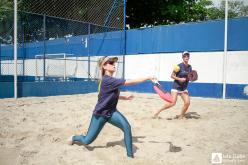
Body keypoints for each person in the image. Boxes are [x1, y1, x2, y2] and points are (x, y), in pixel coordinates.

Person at [68, 56, 156, 158]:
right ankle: (74, 137)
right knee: (87, 140)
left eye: (113, 62)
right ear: (104, 66)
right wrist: (148, 78)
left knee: (127, 127)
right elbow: (130, 82)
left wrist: (124, 97)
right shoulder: (107, 80)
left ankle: (130, 156)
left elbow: (107, 96)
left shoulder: (109, 81)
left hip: (112, 112)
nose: (113, 64)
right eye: (110, 62)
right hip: (100, 115)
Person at [153, 51, 192, 119]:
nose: (186, 57)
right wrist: (180, 79)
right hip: (176, 87)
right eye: (184, 56)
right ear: (182, 57)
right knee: (172, 103)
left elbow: (189, 76)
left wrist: (192, 78)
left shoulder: (190, 67)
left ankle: (181, 116)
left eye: (187, 56)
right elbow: (172, 76)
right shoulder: (178, 66)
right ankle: (157, 112)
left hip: (183, 88)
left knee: (187, 102)